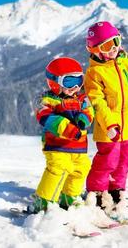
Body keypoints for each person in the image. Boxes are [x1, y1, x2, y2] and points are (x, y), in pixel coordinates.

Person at [83, 21, 128, 215]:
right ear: (95, 49)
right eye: (106, 45)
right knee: (108, 161)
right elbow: (98, 102)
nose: (113, 48)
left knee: (124, 161)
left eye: (116, 41)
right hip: (109, 128)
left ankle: (116, 192)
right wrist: (109, 124)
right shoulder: (94, 73)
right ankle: (96, 193)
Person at [27, 57, 94, 214]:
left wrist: (85, 117)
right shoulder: (48, 100)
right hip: (56, 144)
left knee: (81, 169)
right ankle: (44, 201)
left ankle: (69, 197)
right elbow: (45, 116)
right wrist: (66, 128)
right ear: (55, 83)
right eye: (69, 82)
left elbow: (89, 109)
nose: (75, 87)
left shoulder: (82, 98)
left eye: (79, 80)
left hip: (78, 147)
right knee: (58, 169)